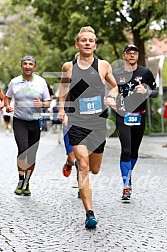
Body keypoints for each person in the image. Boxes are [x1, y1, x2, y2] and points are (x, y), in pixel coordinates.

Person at [58, 26, 118, 229]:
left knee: (94, 169)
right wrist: (61, 111)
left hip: (98, 123)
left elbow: (115, 86)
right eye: (83, 40)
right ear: (77, 44)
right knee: (83, 166)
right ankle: (89, 214)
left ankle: (77, 166)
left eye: (91, 40)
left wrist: (111, 95)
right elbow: (63, 91)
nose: (87, 43)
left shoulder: (103, 66)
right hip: (77, 122)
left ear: (95, 44)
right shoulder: (69, 67)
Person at [113, 44, 158, 201]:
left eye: (135, 53)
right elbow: (109, 90)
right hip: (123, 115)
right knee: (126, 150)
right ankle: (127, 185)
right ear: (124, 55)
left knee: (133, 152)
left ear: (137, 56)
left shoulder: (145, 72)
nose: (132, 55)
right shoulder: (116, 73)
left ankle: (128, 176)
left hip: (140, 116)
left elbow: (156, 91)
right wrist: (110, 99)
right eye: (129, 53)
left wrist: (146, 91)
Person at [4, 56, 50, 196]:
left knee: (31, 155)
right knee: (23, 149)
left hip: (35, 121)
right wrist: (7, 106)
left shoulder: (41, 82)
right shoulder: (15, 82)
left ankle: (27, 182)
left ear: (34, 67)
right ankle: (20, 179)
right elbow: (7, 97)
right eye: (25, 63)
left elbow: (47, 102)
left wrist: (41, 104)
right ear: (21, 66)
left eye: (31, 64)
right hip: (20, 120)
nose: (28, 66)